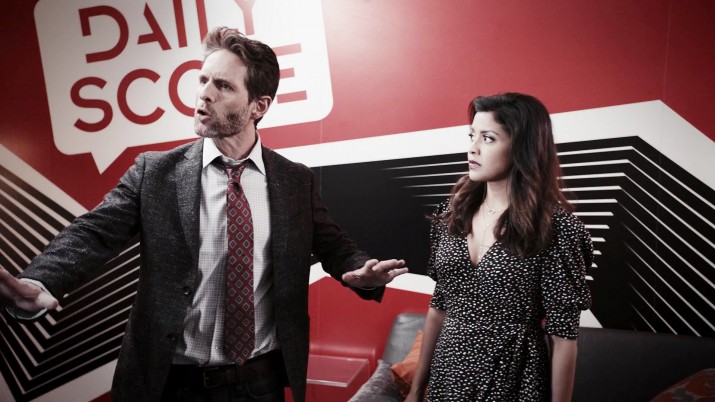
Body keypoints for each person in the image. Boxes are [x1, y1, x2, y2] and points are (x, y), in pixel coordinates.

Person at [0, 27, 408, 402]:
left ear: (258, 106)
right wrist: (41, 279)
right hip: (168, 384)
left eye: (223, 86)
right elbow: (93, 232)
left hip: (259, 384)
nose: (204, 95)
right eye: (203, 80)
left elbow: (334, 246)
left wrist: (359, 271)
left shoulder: (293, 181)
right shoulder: (155, 173)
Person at [404, 93, 592, 402]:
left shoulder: (556, 228)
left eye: (488, 138)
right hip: (447, 378)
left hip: (514, 380)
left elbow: (563, 338)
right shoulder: (451, 214)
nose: (473, 148)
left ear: (522, 147)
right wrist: (415, 391)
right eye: (472, 136)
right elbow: (438, 307)